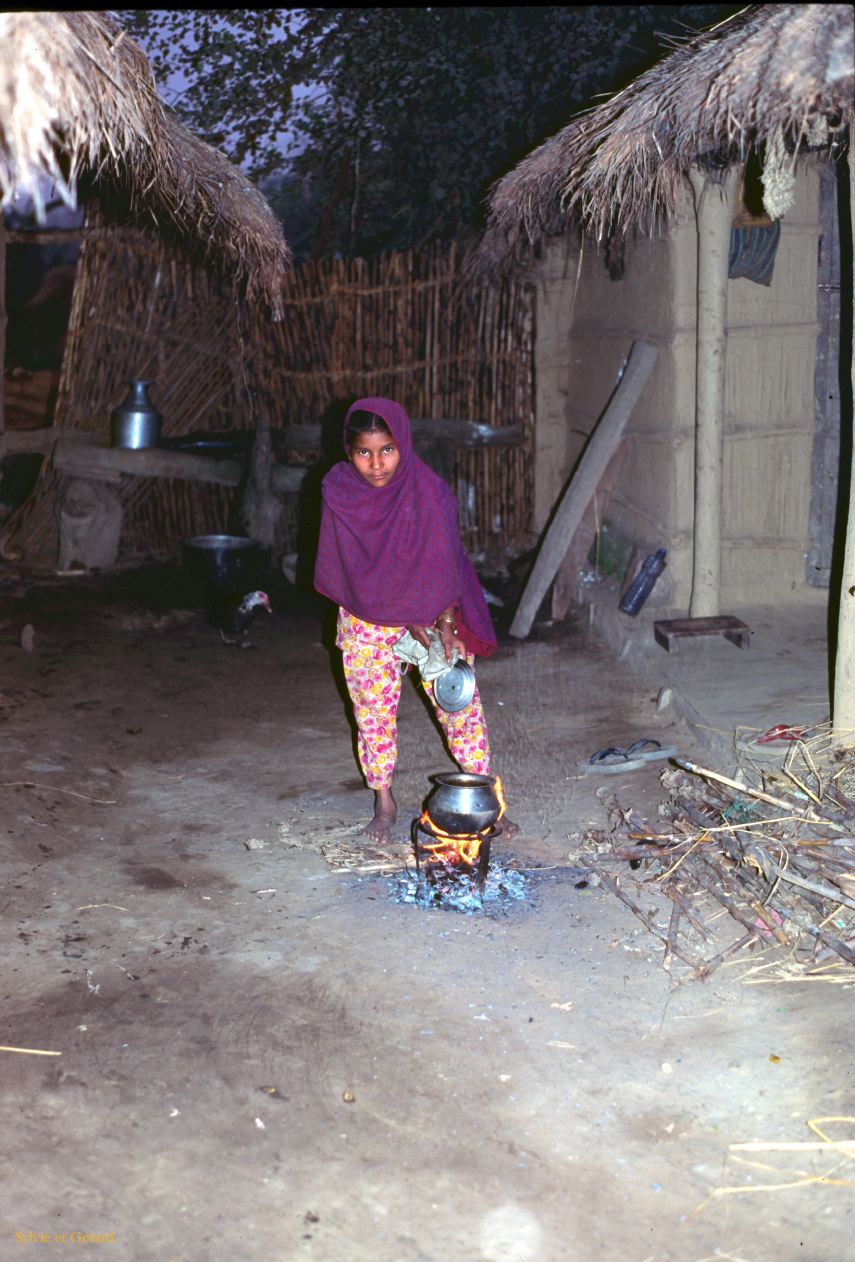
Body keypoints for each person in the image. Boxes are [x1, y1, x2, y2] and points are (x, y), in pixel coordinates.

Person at [314, 396, 500, 843]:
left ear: (405, 445)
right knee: (373, 714)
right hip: (367, 616)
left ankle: (486, 794)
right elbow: (349, 565)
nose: (376, 464)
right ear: (348, 451)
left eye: (387, 450)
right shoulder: (339, 491)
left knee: (458, 701)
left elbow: (446, 562)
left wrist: (445, 622)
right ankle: (384, 801)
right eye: (364, 452)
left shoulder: (428, 490)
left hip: (434, 616)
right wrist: (399, 613)